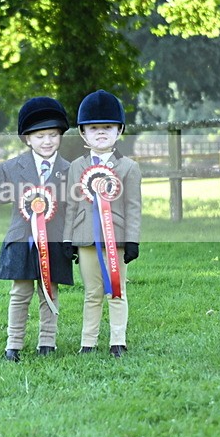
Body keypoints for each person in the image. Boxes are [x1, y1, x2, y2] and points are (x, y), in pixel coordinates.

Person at [0, 97, 75, 362]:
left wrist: (72, 241)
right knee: (20, 293)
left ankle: (47, 342)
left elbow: (74, 208)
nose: (47, 141)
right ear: (27, 139)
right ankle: (14, 344)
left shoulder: (69, 169)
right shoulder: (14, 166)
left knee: (50, 292)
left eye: (53, 135)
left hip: (54, 242)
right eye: (40, 136)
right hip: (22, 240)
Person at [62, 90, 142, 358]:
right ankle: (88, 342)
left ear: (119, 130)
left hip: (116, 237)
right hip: (85, 237)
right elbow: (71, 206)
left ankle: (118, 340)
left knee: (117, 290)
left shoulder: (129, 167)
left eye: (107, 127)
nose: (101, 133)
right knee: (92, 291)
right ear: (83, 133)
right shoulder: (76, 166)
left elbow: (133, 206)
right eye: (94, 128)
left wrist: (132, 239)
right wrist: (67, 241)